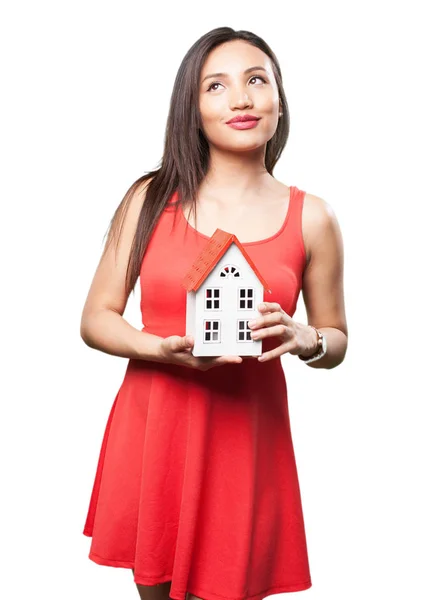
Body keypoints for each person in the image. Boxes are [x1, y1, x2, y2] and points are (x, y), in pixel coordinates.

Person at [81, 26, 348, 600]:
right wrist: (160, 348)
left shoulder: (313, 218)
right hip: (156, 432)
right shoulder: (149, 199)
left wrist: (308, 339)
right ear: (192, 108)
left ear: (279, 98)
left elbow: (337, 340)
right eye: (217, 86)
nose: (242, 99)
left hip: (245, 443)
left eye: (257, 81)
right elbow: (96, 317)